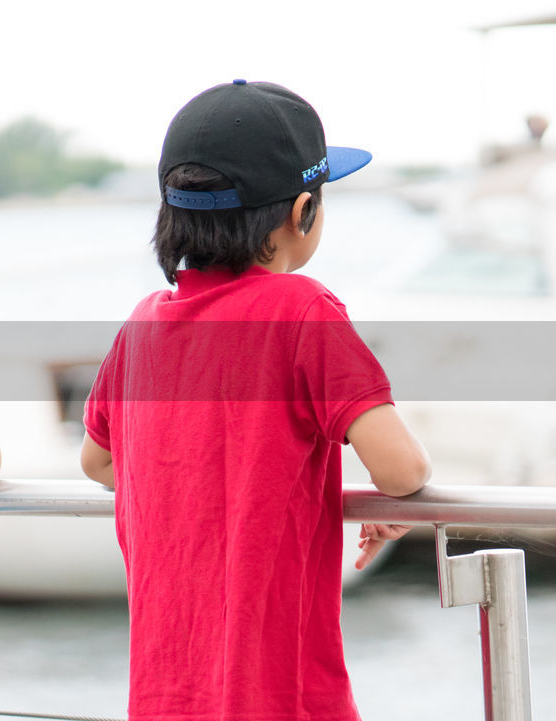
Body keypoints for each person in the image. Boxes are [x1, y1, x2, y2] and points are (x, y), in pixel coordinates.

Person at [79, 80, 432, 721]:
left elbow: (99, 462)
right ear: (303, 212)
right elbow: (403, 470)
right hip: (279, 696)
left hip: (166, 697)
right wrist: (375, 502)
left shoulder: (142, 325)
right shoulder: (303, 311)